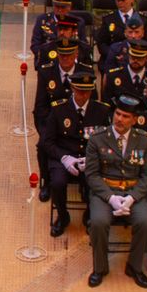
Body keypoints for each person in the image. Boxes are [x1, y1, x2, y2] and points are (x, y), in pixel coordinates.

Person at [83, 95, 147, 288]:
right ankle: (100, 268)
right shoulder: (97, 139)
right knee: (98, 222)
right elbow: (91, 174)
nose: (119, 119)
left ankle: (134, 266)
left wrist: (132, 198)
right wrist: (111, 198)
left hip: (133, 192)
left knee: (146, 223)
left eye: (125, 116)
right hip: (106, 191)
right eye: (118, 114)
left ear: (134, 120)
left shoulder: (144, 141)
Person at [44, 72, 111, 239]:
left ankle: (89, 213)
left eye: (87, 91)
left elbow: (107, 142)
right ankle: (63, 215)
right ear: (73, 88)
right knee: (58, 183)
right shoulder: (59, 109)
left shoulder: (101, 111)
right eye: (80, 90)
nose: (83, 95)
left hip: (90, 158)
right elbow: (46, 142)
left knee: (93, 182)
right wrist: (65, 158)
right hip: (64, 157)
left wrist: (92, 158)